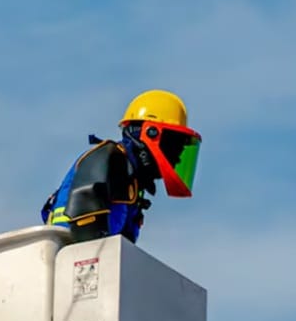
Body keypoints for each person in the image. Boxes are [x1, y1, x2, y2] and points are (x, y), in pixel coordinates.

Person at [42, 89, 201, 243]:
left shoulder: (132, 180)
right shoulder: (108, 160)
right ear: (151, 134)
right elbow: (88, 240)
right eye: (175, 149)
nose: (178, 160)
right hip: (67, 257)